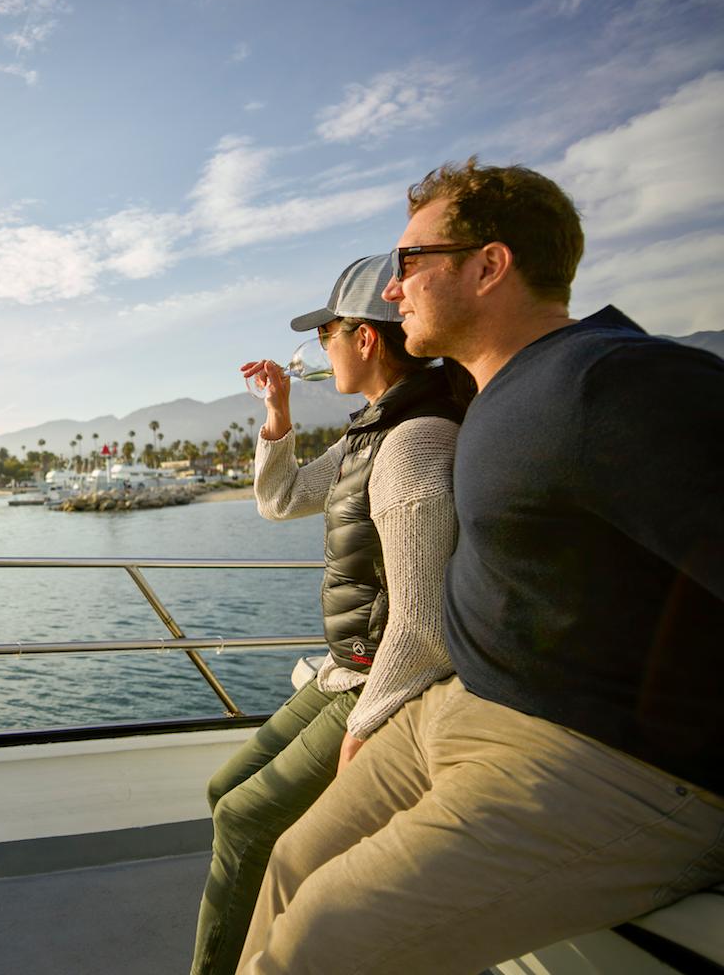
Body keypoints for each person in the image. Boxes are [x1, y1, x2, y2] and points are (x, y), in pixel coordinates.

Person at [235, 159, 724, 974]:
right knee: (287, 861)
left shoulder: (613, 380)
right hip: (459, 705)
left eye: (411, 266)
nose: (394, 294)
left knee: (316, 941)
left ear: (489, 265)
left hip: (599, 757)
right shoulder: (491, 395)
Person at [189, 253, 468, 975]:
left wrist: (368, 725)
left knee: (245, 820)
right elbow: (280, 500)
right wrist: (277, 417)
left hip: (381, 680)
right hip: (348, 668)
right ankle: (258, 938)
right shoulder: (372, 431)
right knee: (226, 792)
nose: (322, 351)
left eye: (328, 335)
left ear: (366, 340)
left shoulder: (415, 442)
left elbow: (421, 624)